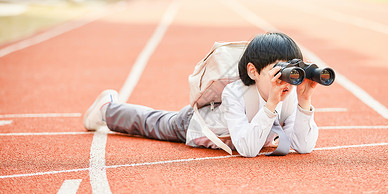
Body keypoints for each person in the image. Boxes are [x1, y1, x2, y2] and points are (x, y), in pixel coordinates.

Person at [83, 32, 319, 157]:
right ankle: (107, 109)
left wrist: (304, 100)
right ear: (253, 71)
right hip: (198, 124)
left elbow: (302, 146)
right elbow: (247, 150)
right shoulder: (235, 93)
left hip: (234, 135)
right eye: (277, 71)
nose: (285, 80)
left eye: (291, 71)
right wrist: (270, 106)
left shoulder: (289, 95)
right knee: (151, 123)